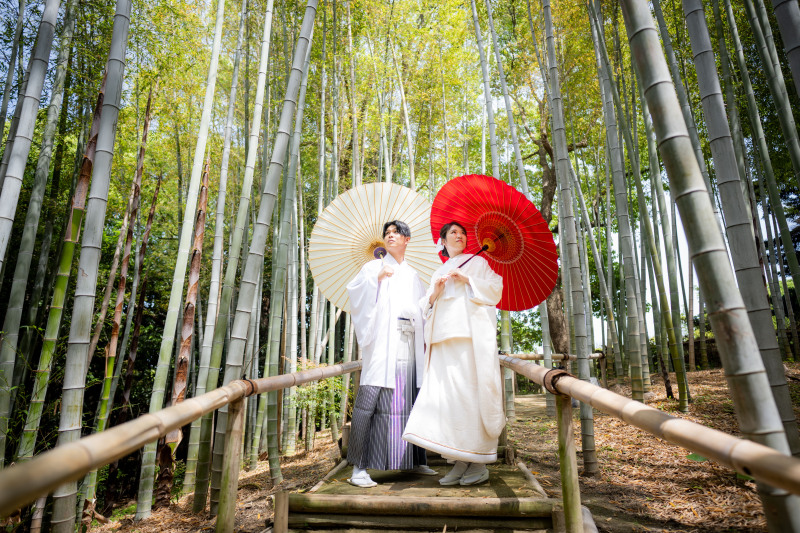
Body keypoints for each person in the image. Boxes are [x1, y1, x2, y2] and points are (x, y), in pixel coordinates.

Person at [402, 221, 505, 486]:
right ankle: (459, 460)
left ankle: (479, 461)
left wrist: (468, 278)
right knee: (449, 401)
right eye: (452, 233)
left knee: (470, 395)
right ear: (443, 241)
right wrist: (435, 292)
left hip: (468, 340)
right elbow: (424, 307)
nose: (459, 236)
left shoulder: (477, 262)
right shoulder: (440, 269)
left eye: (462, 233)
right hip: (442, 340)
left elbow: (495, 289)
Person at [345, 220, 437, 487]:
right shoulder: (373, 266)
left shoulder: (412, 274)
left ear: (407, 239)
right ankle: (359, 469)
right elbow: (356, 294)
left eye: (396, 233)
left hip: (408, 342)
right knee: (371, 402)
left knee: (409, 397)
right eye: (387, 233)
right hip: (385, 343)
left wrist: (432, 299)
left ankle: (415, 461)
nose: (390, 236)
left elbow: (422, 308)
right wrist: (376, 279)